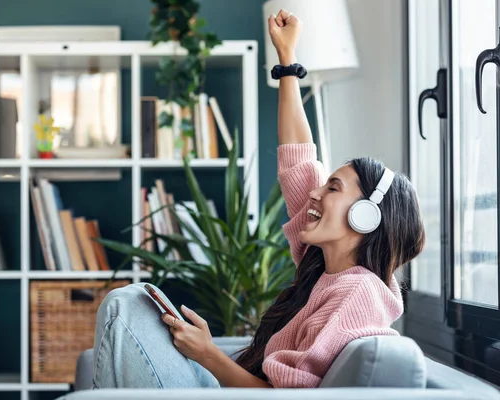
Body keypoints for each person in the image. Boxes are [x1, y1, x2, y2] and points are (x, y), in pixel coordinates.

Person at [89, 8, 425, 390]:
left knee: (124, 306)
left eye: (332, 188)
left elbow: (287, 396)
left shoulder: (359, 293)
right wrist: (287, 60)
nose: (314, 191)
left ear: (365, 216)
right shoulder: (322, 267)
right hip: (231, 384)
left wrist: (208, 354)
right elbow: (299, 159)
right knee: (133, 303)